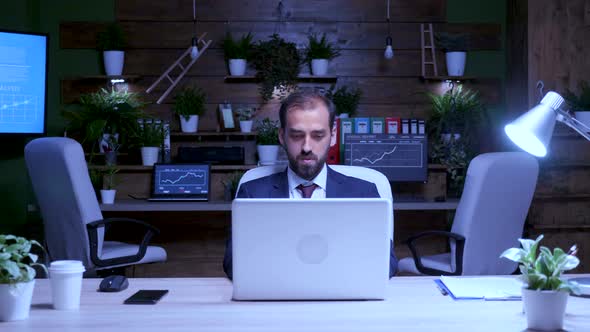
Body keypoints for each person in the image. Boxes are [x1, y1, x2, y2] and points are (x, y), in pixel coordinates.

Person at [223, 90, 398, 279]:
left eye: (317, 135)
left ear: (332, 136)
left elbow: (386, 264)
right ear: (282, 137)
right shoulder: (252, 193)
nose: (307, 147)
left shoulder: (364, 192)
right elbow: (234, 264)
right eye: (297, 136)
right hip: (278, 299)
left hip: (342, 298)